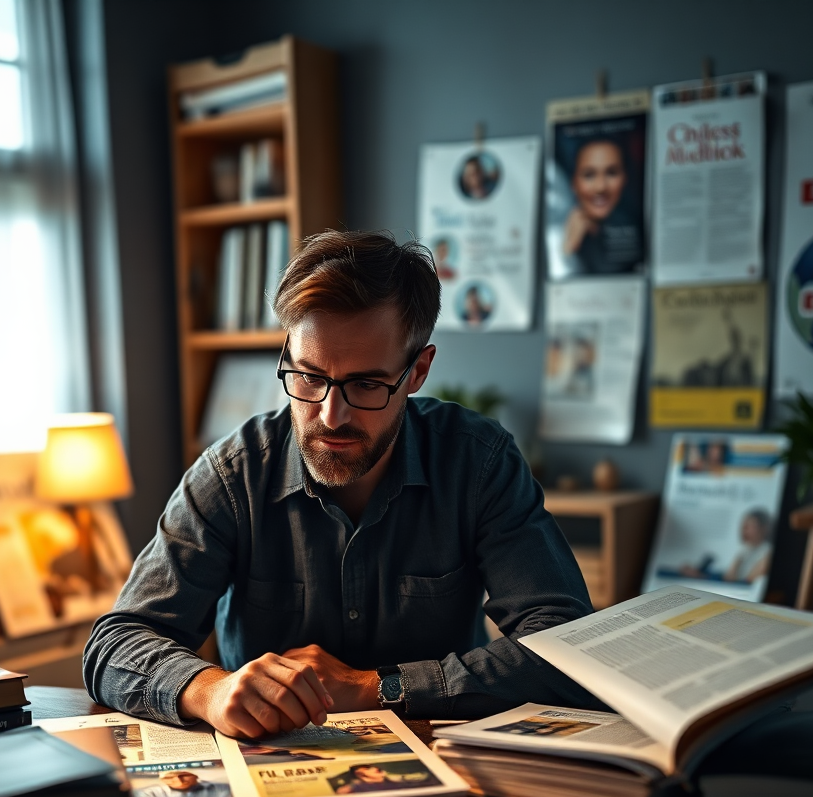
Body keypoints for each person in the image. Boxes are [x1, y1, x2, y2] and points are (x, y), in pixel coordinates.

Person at [84, 230, 603, 738]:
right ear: (287, 353)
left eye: (367, 384)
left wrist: (381, 687)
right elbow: (116, 643)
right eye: (309, 376)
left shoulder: (478, 463)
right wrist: (209, 689)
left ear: (417, 372)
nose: (331, 416)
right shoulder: (232, 474)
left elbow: (566, 645)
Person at [561, 137, 642, 275]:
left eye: (611, 173)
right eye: (589, 175)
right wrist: (567, 251)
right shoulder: (558, 230)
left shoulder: (639, 234)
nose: (600, 187)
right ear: (573, 183)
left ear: (625, 178)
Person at [134, 769, 232, 797]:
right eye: (169, 777)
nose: (179, 781)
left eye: (183, 775)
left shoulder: (218, 787)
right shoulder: (151, 793)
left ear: (195, 775)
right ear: (162, 780)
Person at [723, 509, 773, 584]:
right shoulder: (745, 549)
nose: (744, 530)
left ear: (764, 528)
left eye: (749, 527)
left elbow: (749, 580)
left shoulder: (768, 552)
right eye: (743, 526)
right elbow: (728, 578)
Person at [334, 763, 432, 794]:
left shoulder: (395, 780)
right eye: (367, 768)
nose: (376, 768)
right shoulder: (356, 787)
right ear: (359, 773)